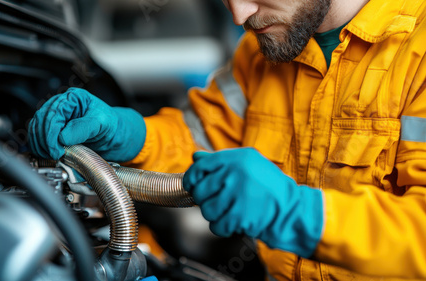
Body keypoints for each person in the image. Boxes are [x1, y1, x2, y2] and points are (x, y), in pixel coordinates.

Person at [28, 0, 426, 279]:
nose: (239, 14)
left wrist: (296, 213)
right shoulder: (259, 54)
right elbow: (201, 137)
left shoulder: (418, 51)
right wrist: (128, 134)